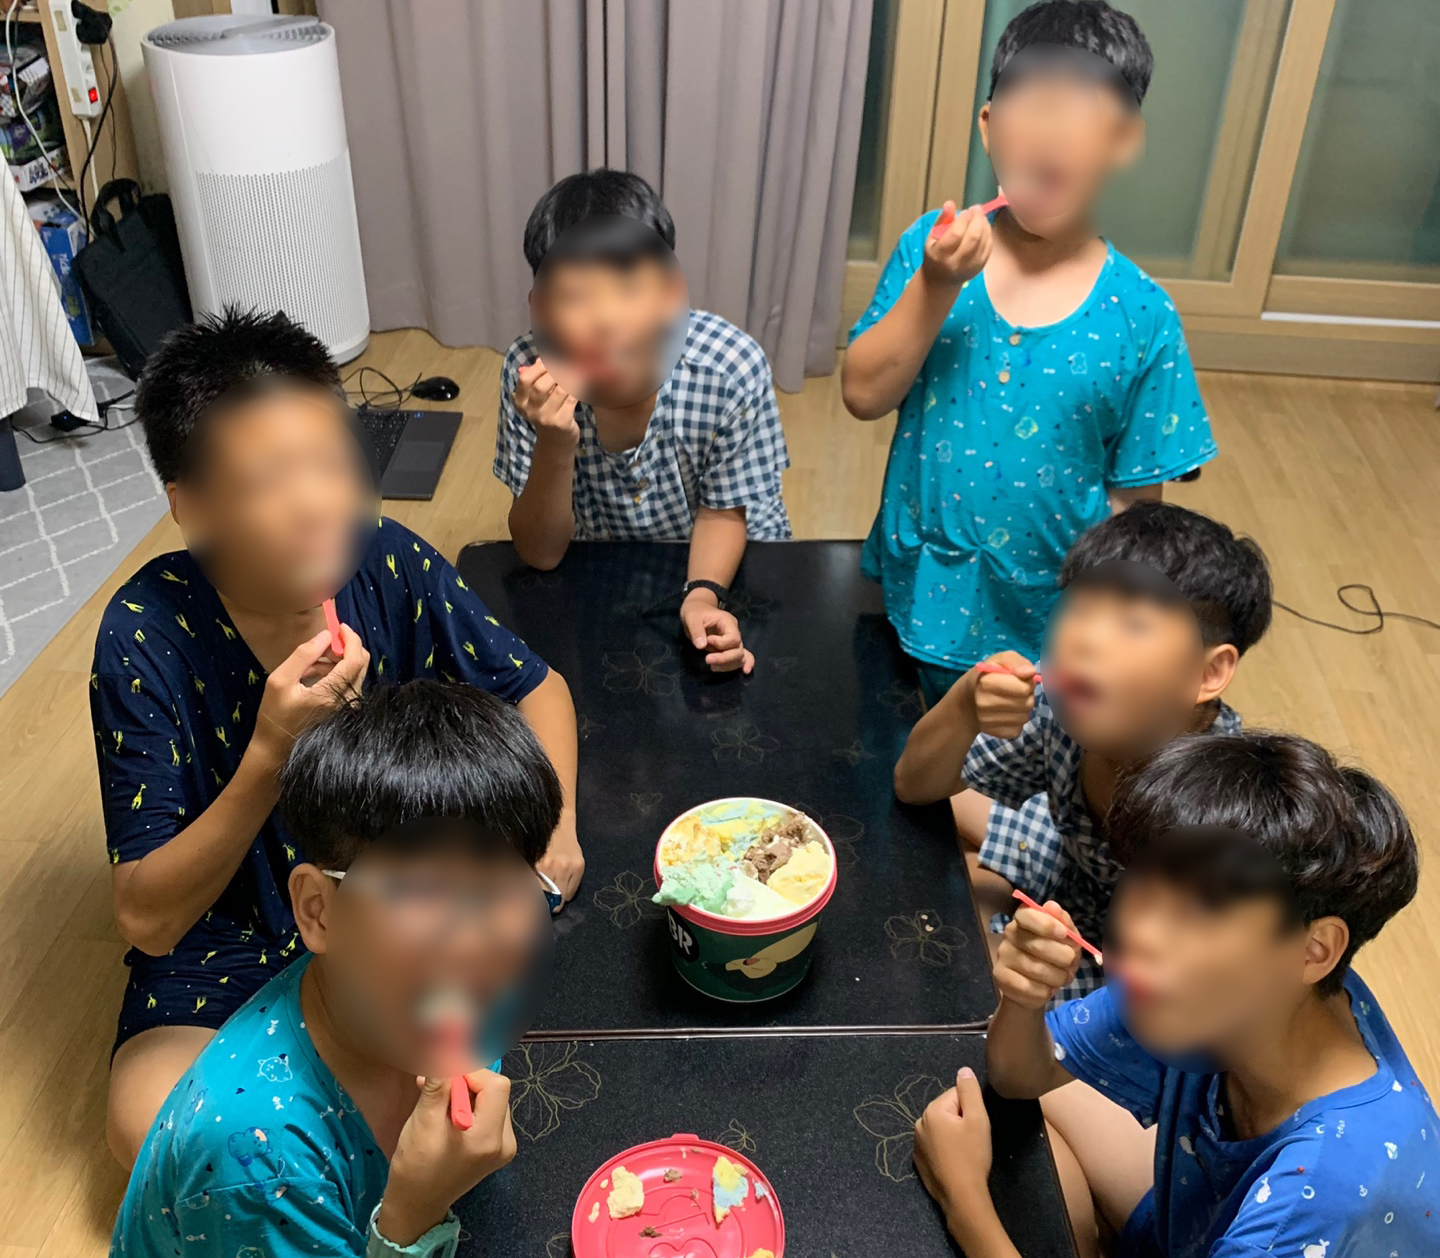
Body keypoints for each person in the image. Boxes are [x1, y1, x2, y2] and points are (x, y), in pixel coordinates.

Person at [94, 308, 581, 1169]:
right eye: (269, 480)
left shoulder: (384, 559)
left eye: (332, 462)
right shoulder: (146, 632)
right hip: (227, 938)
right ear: (191, 507)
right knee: (155, 1127)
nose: (319, 505)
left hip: (396, 913)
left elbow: (537, 688)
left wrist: (560, 828)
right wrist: (271, 751)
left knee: (441, 1088)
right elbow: (149, 918)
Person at [912, 731, 1437, 1258]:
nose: (1140, 936)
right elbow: (1020, 1076)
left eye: (1196, 913)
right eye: (1143, 892)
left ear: (1315, 949)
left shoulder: (1322, 1190)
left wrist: (965, 1204)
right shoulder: (1246, 995)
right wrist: (1025, 999)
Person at [841, 0, 1217, 708]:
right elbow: (863, 394)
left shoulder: (1144, 315)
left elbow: (1136, 506)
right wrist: (935, 285)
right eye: (1031, 110)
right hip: (920, 582)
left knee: (1018, 756)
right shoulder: (932, 249)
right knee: (908, 741)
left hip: (1049, 618)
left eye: (1078, 115)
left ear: (1123, 139)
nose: (1049, 136)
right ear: (989, 128)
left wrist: (1110, 631)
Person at [110, 679, 561, 1257]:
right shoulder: (259, 1158)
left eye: (501, 892)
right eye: (423, 895)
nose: (473, 943)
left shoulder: (423, 1003)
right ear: (318, 911)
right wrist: (412, 1217)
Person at [894, 502, 1272, 999]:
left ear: (1207, 673)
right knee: (938, 830)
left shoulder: (1222, 812)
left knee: (976, 976)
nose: (1085, 641)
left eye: (1133, 625)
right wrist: (966, 703)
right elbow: (913, 785)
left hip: (1147, 956)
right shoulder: (1059, 705)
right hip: (1068, 864)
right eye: (1080, 611)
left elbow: (1189, 985)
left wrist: (1028, 963)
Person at [495, 168, 792, 675]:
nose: (605, 321)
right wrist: (554, 440)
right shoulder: (528, 373)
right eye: (576, 295)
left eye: (628, 289)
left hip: (731, 560)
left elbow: (723, 514)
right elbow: (541, 554)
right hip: (605, 563)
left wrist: (702, 595)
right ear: (541, 308)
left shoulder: (730, 368)